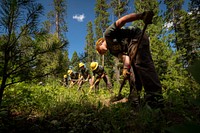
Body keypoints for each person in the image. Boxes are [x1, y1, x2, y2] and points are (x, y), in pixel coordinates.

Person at [95, 11, 163, 108]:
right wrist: (125, 69)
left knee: (141, 63)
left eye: (99, 50)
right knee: (133, 72)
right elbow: (125, 58)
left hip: (136, 37)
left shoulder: (107, 34)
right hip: (131, 47)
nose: (102, 53)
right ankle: (135, 98)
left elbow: (122, 21)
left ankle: (155, 97)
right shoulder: (112, 51)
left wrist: (141, 16)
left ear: (100, 43)